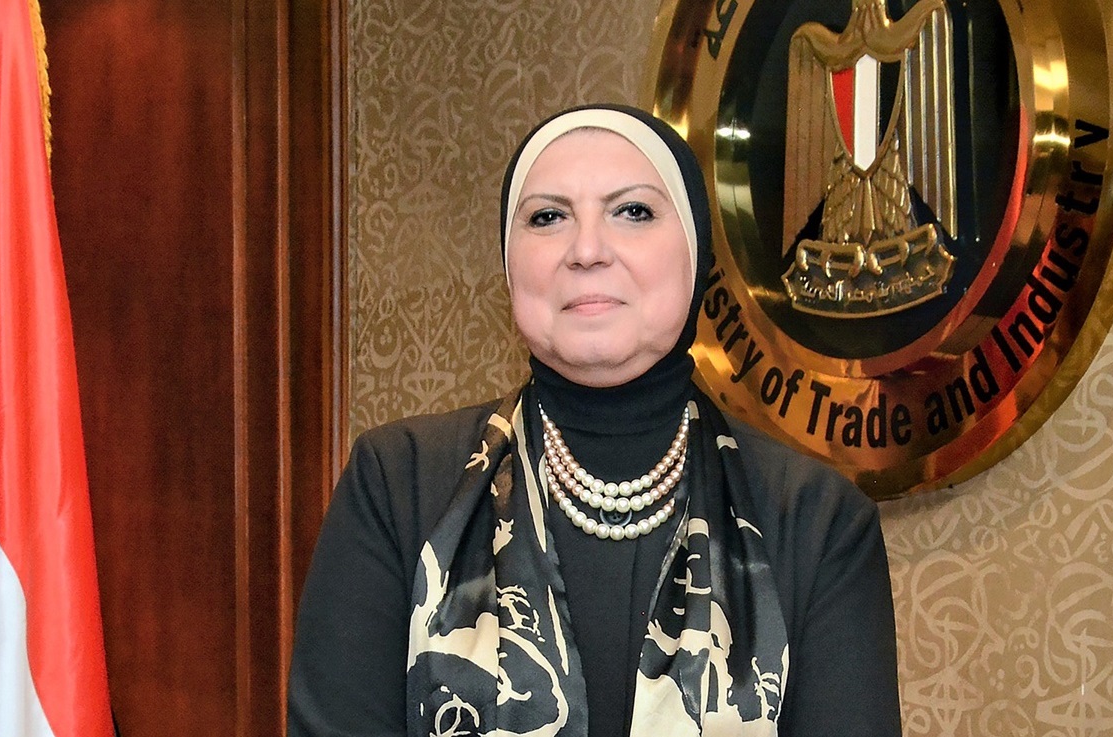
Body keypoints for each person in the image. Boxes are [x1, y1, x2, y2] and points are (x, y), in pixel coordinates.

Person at [287, 104, 901, 736]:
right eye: (548, 217)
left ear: (696, 251)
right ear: (510, 265)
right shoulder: (399, 481)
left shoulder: (816, 519)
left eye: (632, 211)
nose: (586, 250)